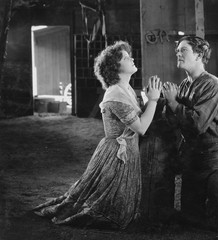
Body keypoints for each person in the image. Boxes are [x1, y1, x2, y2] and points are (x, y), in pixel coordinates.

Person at [33, 41, 162, 229]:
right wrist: (154, 100)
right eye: (126, 58)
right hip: (115, 156)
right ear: (115, 67)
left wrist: (148, 100)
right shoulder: (115, 94)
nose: (132, 58)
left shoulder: (125, 90)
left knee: (121, 208)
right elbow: (141, 128)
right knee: (106, 209)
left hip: (126, 152)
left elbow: (138, 120)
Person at [162, 35, 218, 232]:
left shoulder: (211, 84)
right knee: (190, 219)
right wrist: (166, 104)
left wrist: (173, 103)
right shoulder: (185, 85)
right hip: (194, 157)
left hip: (215, 158)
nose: (177, 53)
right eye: (177, 50)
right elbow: (173, 123)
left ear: (199, 55)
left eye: (183, 50)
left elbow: (197, 125)